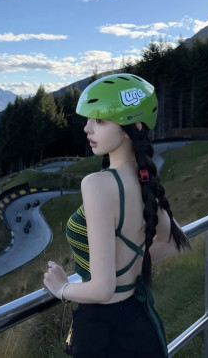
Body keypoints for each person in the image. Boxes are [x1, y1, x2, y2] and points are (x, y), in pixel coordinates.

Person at [43, 73, 190, 358]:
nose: (87, 128)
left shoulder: (97, 185)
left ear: (133, 127)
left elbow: (102, 289)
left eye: (100, 121)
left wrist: (62, 288)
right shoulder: (144, 181)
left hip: (103, 334)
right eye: (89, 119)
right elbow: (174, 241)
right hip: (141, 323)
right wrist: (129, 265)